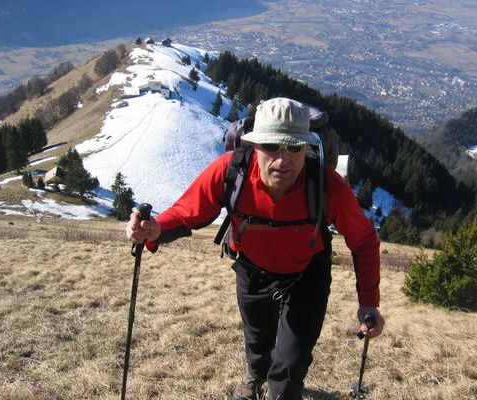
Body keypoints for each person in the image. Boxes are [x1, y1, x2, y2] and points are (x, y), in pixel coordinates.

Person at [126, 97, 384, 400]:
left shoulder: (326, 185)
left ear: (307, 148)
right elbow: (187, 212)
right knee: (258, 340)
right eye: (272, 147)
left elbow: (364, 241)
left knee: (290, 365)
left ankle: (282, 391)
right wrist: (155, 229)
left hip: (307, 277)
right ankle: (254, 377)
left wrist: (368, 302)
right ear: (254, 145)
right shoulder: (231, 171)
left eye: (294, 147)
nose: (283, 159)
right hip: (252, 270)